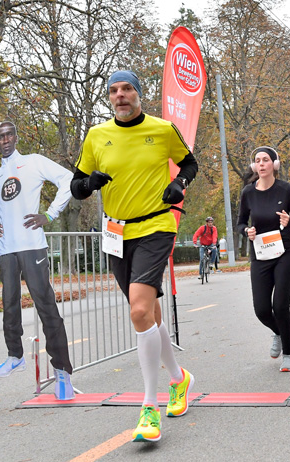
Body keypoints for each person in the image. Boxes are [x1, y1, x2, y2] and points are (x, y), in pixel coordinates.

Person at [70, 70, 198, 442]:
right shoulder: (97, 136)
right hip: (117, 232)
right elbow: (77, 186)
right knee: (150, 314)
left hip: (157, 226)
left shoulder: (162, 129)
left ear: (139, 95)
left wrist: (179, 184)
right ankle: (179, 378)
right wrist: (89, 183)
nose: (120, 95)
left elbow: (189, 163)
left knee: (139, 310)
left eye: (127, 89)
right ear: (109, 98)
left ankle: (148, 407)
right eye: (114, 90)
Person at [0, 121, 75, 400]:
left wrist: (50, 214)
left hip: (32, 247)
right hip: (6, 250)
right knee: (9, 307)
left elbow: (67, 180)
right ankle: (15, 355)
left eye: (9, 134)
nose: (5, 139)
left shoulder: (33, 162)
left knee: (46, 306)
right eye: (0, 136)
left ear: (16, 137)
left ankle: (63, 373)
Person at [237, 146, 290, 372]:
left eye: (266, 159)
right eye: (257, 160)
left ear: (274, 164)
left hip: (285, 253)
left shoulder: (286, 190)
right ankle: (278, 331)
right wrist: (246, 231)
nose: (261, 164)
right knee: (262, 309)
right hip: (260, 255)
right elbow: (240, 223)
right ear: (254, 166)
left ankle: (289, 355)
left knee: (280, 306)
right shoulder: (248, 192)